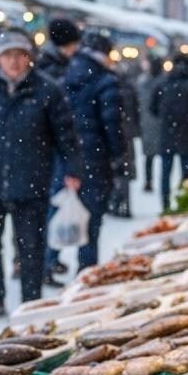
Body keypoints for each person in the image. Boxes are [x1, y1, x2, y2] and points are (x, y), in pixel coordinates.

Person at [0, 29, 81, 320]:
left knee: (31, 248)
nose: (13, 61)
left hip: (31, 181)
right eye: (7, 55)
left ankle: (31, 302)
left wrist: (72, 168)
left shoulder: (47, 91)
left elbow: (66, 134)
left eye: (19, 55)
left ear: (28, 58)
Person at [61, 30, 125, 270]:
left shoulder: (67, 74)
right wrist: (118, 155)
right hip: (96, 156)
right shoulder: (106, 80)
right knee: (93, 217)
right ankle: (86, 269)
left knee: (67, 208)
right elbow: (113, 124)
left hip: (70, 155)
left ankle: (51, 262)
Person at [37, 17, 82, 281]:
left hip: (49, 146)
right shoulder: (55, 71)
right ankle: (45, 261)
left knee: (52, 203)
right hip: (50, 148)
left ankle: (47, 260)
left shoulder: (49, 66)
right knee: (52, 204)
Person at [152, 49, 188, 211]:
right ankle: (186, 203)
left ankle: (166, 205)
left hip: (166, 134)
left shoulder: (162, 83)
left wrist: (166, 118)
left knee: (165, 173)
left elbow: (152, 108)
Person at [108, 69, 140, 218]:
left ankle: (115, 203)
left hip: (115, 136)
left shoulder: (110, 91)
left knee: (116, 172)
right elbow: (136, 111)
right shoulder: (129, 89)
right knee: (125, 172)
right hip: (127, 134)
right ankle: (125, 205)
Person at [137, 59, 163, 193]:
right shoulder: (164, 83)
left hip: (146, 122)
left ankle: (148, 180)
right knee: (164, 156)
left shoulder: (141, 83)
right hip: (162, 123)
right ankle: (164, 183)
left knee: (148, 156)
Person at [36, 16, 82, 83]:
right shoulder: (48, 65)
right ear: (64, 45)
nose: (76, 48)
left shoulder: (63, 60)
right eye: (73, 44)